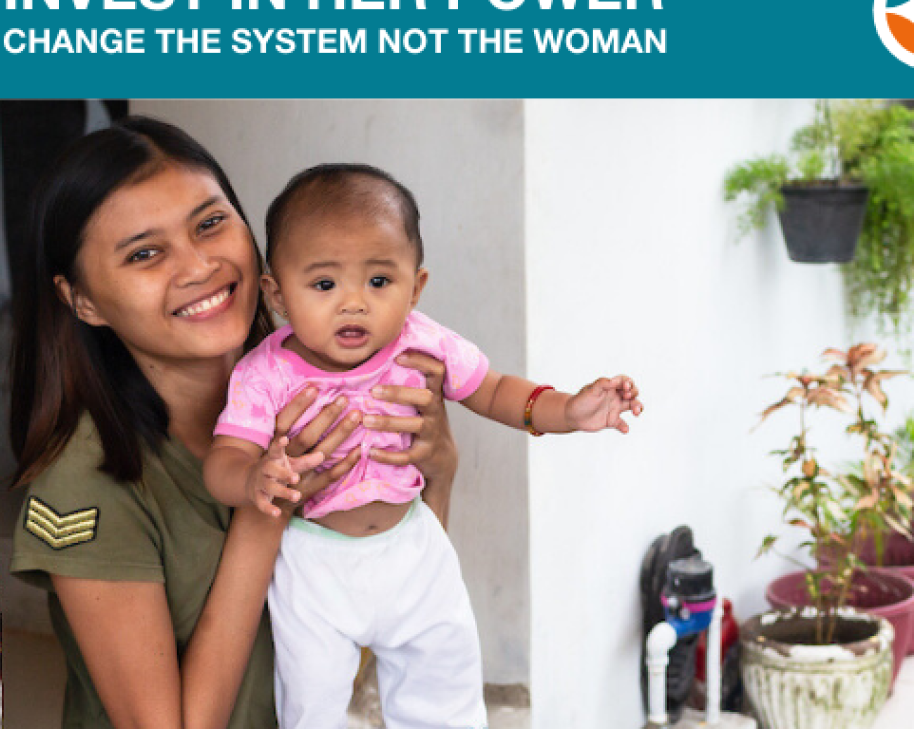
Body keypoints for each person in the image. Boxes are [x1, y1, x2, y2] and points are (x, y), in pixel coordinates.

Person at [8, 117, 461, 729]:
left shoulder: (326, 388)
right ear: (80, 298)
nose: (199, 266)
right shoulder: (87, 486)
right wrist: (263, 509)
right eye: (145, 253)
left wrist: (436, 472)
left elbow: (380, 624)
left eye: (211, 223)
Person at [203, 164, 644, 728]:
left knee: (446, 696)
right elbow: (224, 459)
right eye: (324, 284)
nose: (354, 303)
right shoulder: (265, 374)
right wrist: (250, 478)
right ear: (277, 292)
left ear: (416, 287)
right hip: (314, 564)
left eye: (379, 282)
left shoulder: (424, 344)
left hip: (413, 552)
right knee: (311, 705)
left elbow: (497, 392)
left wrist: (571, 410)